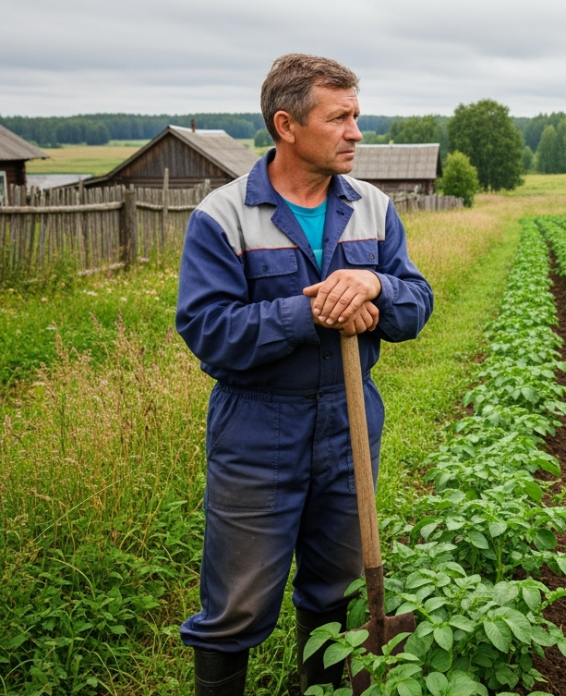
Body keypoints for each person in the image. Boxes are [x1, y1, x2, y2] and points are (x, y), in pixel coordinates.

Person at [175, 54, 433, 695]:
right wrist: (313, 309)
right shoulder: (225, 215)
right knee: (237, 602)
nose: (356, 133)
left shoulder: (373, 208)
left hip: (349, 421)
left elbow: (416, 302)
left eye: (357, 116)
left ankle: (315, 689)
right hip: (259, 424)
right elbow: (209, 330)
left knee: (335, 589)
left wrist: (375, 282)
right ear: (286, 125)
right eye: (339, 118)